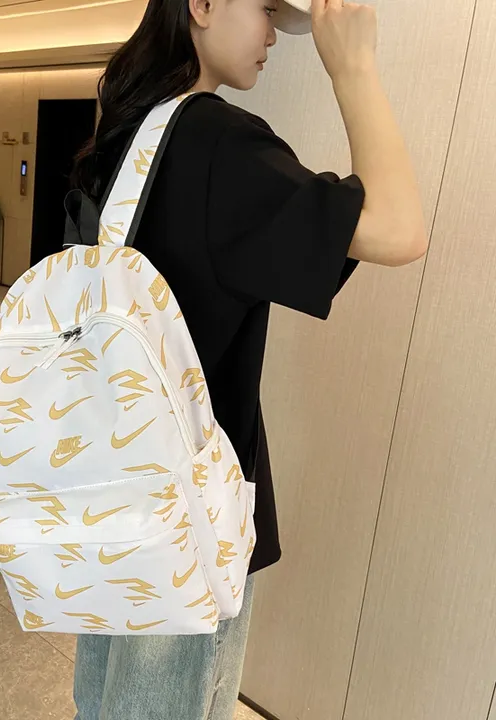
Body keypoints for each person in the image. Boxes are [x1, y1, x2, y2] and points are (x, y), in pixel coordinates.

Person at [70, 0, 427, 718]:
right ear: (202, 5)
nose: (273, 35)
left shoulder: (124, 132)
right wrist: (354, 68)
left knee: (104, 699)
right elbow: (398, 228)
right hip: (188, 519)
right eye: (265, 8)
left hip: (107, 483)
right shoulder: (219, 143)